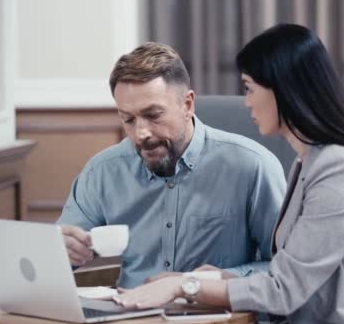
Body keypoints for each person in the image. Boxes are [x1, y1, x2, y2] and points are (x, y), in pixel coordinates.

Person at [113, 24, 344, 324]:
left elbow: (285, 290)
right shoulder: (310, 160)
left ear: (283, 89)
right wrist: (205, 278)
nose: (247, 102)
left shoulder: (341, 168)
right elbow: (293, 270)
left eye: (249, 88)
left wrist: (185, 286)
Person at [58, 42, 286, 288]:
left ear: (187, 105)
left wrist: (208, 281)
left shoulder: (252, 166)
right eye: (128, 119)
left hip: (219, 322)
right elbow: (56, 257)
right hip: (132, 321)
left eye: (153, 115)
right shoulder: (102, 171)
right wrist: (62, 250)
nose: (141, 133)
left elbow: (285, 269)